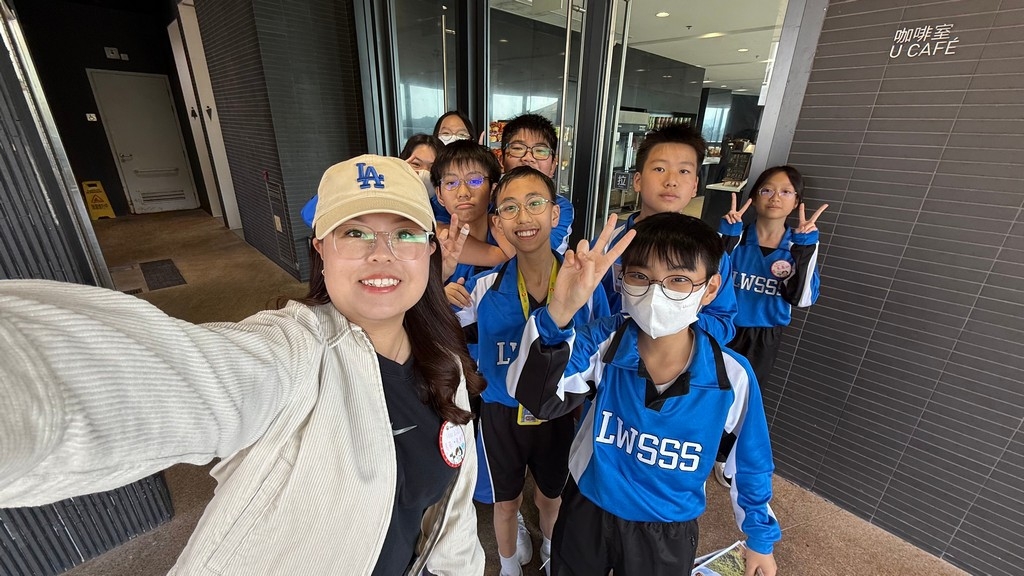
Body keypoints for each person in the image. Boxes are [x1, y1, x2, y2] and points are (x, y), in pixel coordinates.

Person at [0, 155, 486, 575]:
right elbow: (165, 377)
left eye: (404, 233)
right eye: (354, 233)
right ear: (320, 249)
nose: (381, 254)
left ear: (430, 248)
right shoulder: (293, 352)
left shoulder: (442, 363)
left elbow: (452, 516)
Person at [506, 212, 780, 576]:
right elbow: (532, 394)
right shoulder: (604, 341)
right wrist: (559, 311)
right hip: (589, 508)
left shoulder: (730, 375)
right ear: (621, 279)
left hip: (666, 528)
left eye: (678, 279)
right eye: (640, 277)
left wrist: (760, 538)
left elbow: (750, 461)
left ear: (710, 288)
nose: (655, 293)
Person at [450, 167, 610, 576]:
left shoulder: (586, 288)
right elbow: (437, 331)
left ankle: (552, 551)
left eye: (535, 203)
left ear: (555, 214)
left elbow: (604, 352)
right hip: (501, 415)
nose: (523, 217)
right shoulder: (483, 288)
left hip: (559, 414)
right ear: (497, 223)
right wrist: (441, 283)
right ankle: (508, 567)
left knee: (551, 498)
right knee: (505, 504)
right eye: (510, 207)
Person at [712, 165, 826, 487]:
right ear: (754, 196)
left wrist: (805, 249)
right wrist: (725, 239)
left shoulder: (796, 246)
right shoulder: (737, 238)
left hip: (763, 337)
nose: (775, 197)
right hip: (722, 329)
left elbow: (801, 299)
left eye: (786, 192)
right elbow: (707, 282)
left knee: (744, 402)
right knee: (706, 391)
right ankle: (700, 451)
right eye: (767, 190)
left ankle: (723, 457)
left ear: (796, 201)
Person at [598, 124, 738, 344]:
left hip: (677, 362)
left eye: (683, 171)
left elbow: (723, 323)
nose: (671, 181)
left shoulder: (711, 252)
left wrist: (675, 323)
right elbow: (587, 309)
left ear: (695, 186)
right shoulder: (606, 246)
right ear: (637, 180)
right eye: (660, 169)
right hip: (608, 357)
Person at [300, 133, 443, 228]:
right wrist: (392, 172)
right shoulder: (385, 193)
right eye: (416, 164)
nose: (424, 173)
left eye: (432, 168)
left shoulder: (444, 205)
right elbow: (310, 215)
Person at [429, 139, 507, 283]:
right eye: (451, 183)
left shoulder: (509, 235)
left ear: (493, 190)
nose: (463, 193)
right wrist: (440, 293)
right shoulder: (431, 247)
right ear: (439, 195)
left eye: (474, 181)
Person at [500, 113, 574, 254]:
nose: (528, 158)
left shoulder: (560, 206)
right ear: (501, 160)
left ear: (552, 166)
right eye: (517, 148)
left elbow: (539, 255)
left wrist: (492, 226)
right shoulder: (487, 202)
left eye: (540, 151)